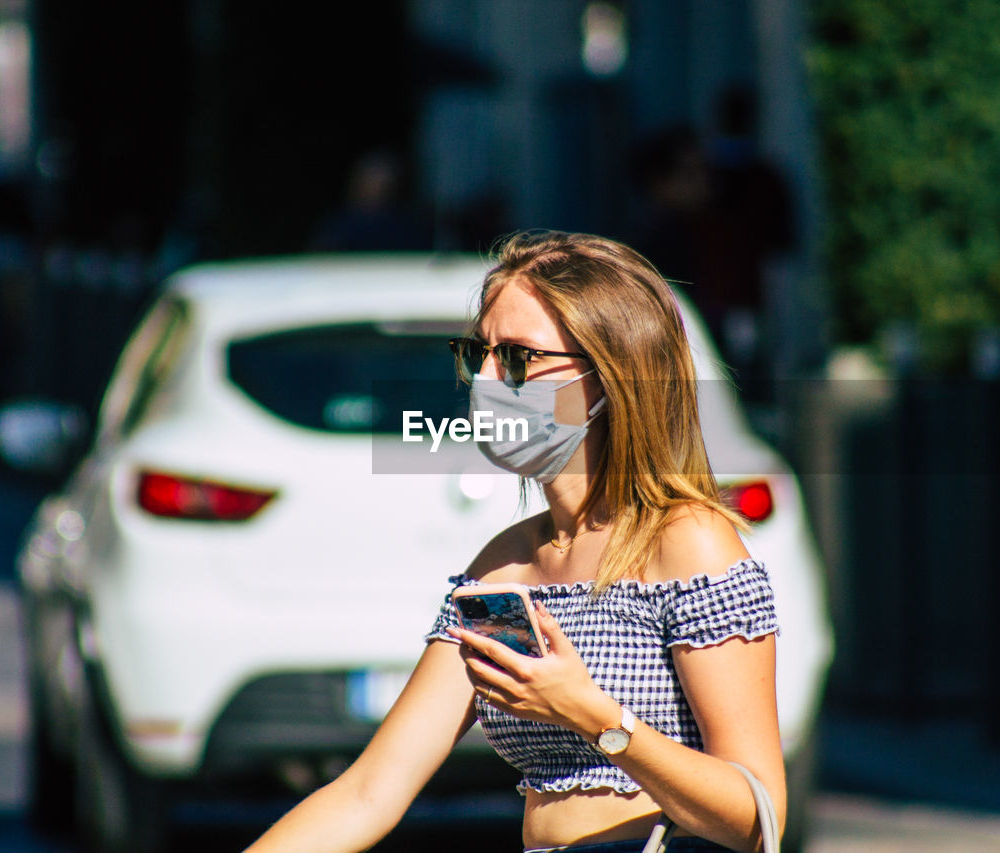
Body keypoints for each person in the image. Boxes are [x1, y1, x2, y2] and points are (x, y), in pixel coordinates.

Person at [245, 231, 786, 852]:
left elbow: (757, 815)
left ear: (611, 375)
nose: (490, 381)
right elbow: (369, 791)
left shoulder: (688, 546)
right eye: (481, 354)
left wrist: (590, 712)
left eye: (520, 358)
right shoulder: (505, 569)